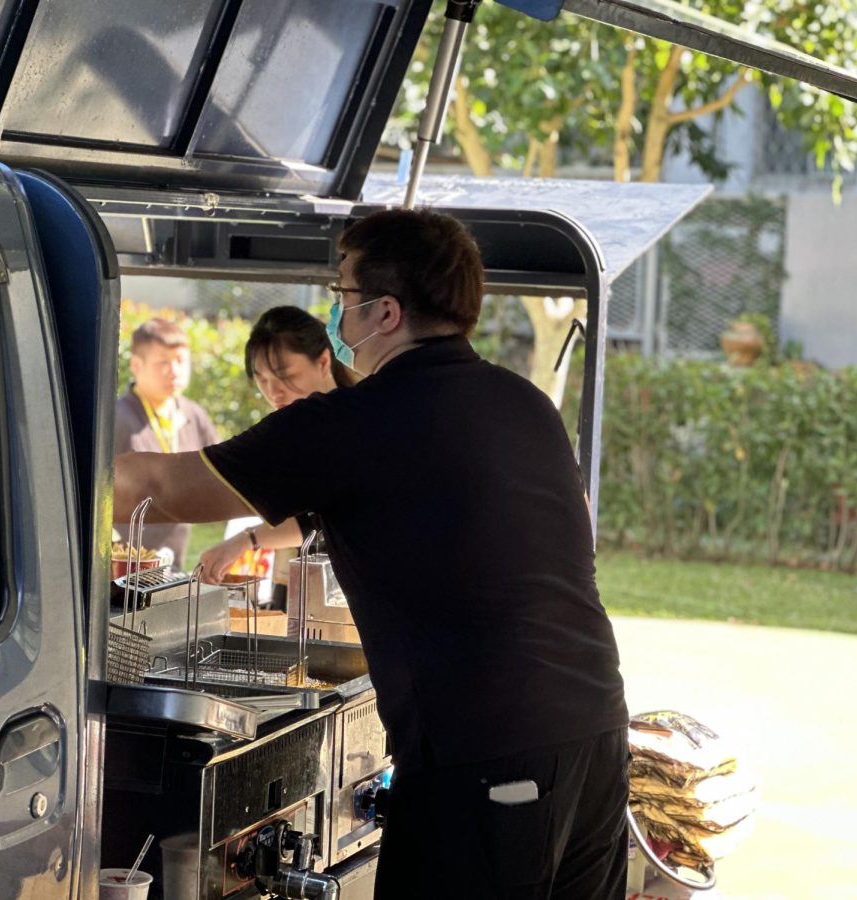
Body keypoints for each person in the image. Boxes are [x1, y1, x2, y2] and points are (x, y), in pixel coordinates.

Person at [114, 209, 629, 899]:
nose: (336, 309)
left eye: (343, 292)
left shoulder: (350, 424)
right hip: (595, 736)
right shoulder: (525, 403)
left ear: (384, 312)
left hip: (484, 756)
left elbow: (156, 486)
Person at [199, 306, 355, 594]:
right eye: (262, 380)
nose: (274, 392)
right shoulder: (295, 427)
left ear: (323, 361)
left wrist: (246, 541)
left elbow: (317, 519)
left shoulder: (347, 425)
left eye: (284, 375)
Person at [113, 317, 218, 565]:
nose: (174, 371)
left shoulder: (193, 415)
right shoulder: (117, 418)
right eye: (163, 363)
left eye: (181, 361)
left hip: (176, 560)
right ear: (136, 366)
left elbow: (218, 472)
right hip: (124, 565)